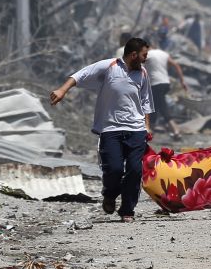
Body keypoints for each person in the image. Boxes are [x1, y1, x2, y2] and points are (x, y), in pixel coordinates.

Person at [49, 37, 154, 223]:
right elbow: (79, 75)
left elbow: (145, 101)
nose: (146, 59)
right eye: (144, 55)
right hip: (110, 129)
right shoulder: (109, 66)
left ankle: (127, 209)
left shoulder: (143, 73)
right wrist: (62, 90)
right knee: (113, 169)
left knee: (135, 170)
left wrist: (147, 126)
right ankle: (110, 194)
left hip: (136, 129)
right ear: (133, 55)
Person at [144, 42, 189, 141]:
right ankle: (150, 131)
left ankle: (175, 130)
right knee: (155, 106)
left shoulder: (147, 54)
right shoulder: (163, 53)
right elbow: (176, 65)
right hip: (165, 83)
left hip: (155, 84)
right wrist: (182, 81)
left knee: (162, 107)